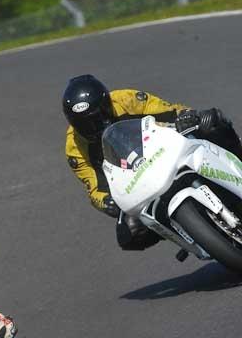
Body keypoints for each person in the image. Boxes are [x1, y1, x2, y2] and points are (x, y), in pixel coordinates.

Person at [62, 74, 242, 250]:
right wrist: (106, 202)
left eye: (98, 116)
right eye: (84, 124)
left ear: (107, 104)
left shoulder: (126, 99)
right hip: (136, 181)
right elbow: (95, 188)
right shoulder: (74, 148)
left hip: (163, 146)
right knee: (129, 233)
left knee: (211, 122)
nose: (94, 126)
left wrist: (185, 117)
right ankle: (189, 233)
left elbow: (170, 110)